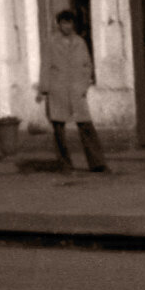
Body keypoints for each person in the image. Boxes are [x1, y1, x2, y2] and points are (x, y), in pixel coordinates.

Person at [36, 9, 108, 173]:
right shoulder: (51, 43)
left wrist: (84, 85)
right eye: (63, 23)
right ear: (58, 24)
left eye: (69, 23)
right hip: (58, 91)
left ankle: (98, 163)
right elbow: (45, 66)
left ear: (73, 24)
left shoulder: (80, 43)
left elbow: (88, 65)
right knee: (59, 130)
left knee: (86, 127)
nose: (67, 26)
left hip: (77, 92)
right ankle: (65, 164)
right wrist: (43, 89)